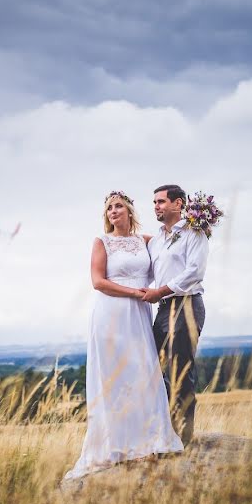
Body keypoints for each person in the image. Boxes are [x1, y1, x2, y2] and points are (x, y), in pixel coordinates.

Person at [63, 191, 183, 481]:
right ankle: (115, 445)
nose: (113, 211)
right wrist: (135, 293)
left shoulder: (145, 241)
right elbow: (98, 281)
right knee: (114, 377)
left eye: (118, 206)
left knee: (142, 372)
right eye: (108, 208)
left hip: (139, 317)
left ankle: (148, 441)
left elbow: (168, 260)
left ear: (130, 211)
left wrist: (191, 231)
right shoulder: (101, 242)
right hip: (111, 314)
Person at [142, 184, 209, 445]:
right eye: (155, 202)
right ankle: (163, 428)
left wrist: (161, 291)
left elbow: (194, 271)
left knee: (182, 372)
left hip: (188, 305)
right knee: (150, 368)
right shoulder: (156, 241)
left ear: (178, 203)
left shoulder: (195, 232)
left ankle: (184, 437)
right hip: (163, 309)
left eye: (160, 201)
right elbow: (147, 273)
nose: (156, 206)